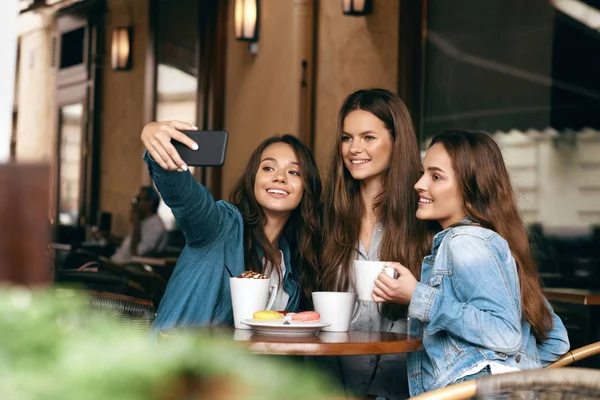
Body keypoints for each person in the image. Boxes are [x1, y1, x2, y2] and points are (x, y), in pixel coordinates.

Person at [372, 130, 570, 396]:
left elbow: (505, 333)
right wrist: (517, 373)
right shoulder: (491, 241)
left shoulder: (465, 242)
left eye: (436, 176)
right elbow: (556, 341)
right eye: (423, 173)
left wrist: (417, 296)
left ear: (470, 188)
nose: (419, 184)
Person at [141, 121, 322, 331]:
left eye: (294, 172)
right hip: (176, 360)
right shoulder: (221, 226)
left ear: (306, 187)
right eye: (268, 168)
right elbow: (183, 194)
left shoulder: (292, 266)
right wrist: (157, 143)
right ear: (252, 178)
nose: (279, 177)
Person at [317, 88, 431, 399]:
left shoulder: (424, 216)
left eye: (368, 137)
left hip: (406, 389)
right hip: (337, 386)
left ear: (396, 141)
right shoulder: (329, 218)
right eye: (346, 138)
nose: (354, 149)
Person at [110, 186, 167, 264]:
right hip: (114, 262)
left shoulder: (156, 227)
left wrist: (136, 223)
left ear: (150, 203)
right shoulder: (144, 221)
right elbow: (128, 245)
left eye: (139, 199)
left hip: (126, 269)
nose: (135, 204)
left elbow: (136, 254)